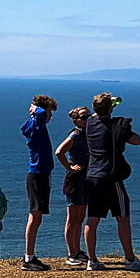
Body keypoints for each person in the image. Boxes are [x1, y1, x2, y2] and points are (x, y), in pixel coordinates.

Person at [81, 93, 140, 271]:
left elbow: (97, 116)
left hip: (92, 176)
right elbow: (137, 141)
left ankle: (92, 261)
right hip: (110, 177)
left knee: (92, 218)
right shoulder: (117, 126)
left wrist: (106, 107)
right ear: (110, 108)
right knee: (122, 217)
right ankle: (130, 259)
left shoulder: (89, 124)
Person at [18, 94, 57, 269]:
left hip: (40, 174)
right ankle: (29, 257)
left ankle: (30, 255)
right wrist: (35, 108)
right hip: (38, 175)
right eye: (50, 111)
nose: (51, 116)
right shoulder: (36, 125)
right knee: (35, 215)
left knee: (37, 215)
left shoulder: (35, 126)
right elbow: (40, 114)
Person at [54, 106, 90, 268]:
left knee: (80, 217)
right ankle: (71, 253)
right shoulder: (75, 135)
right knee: (72, 217)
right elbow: (59, 152)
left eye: (88, 116)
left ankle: (77, 250)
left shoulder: (86, 133)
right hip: (75, 180)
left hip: (86, 179)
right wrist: (70, 168)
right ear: (75, 120)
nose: (87, 119)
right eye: (83, 117)